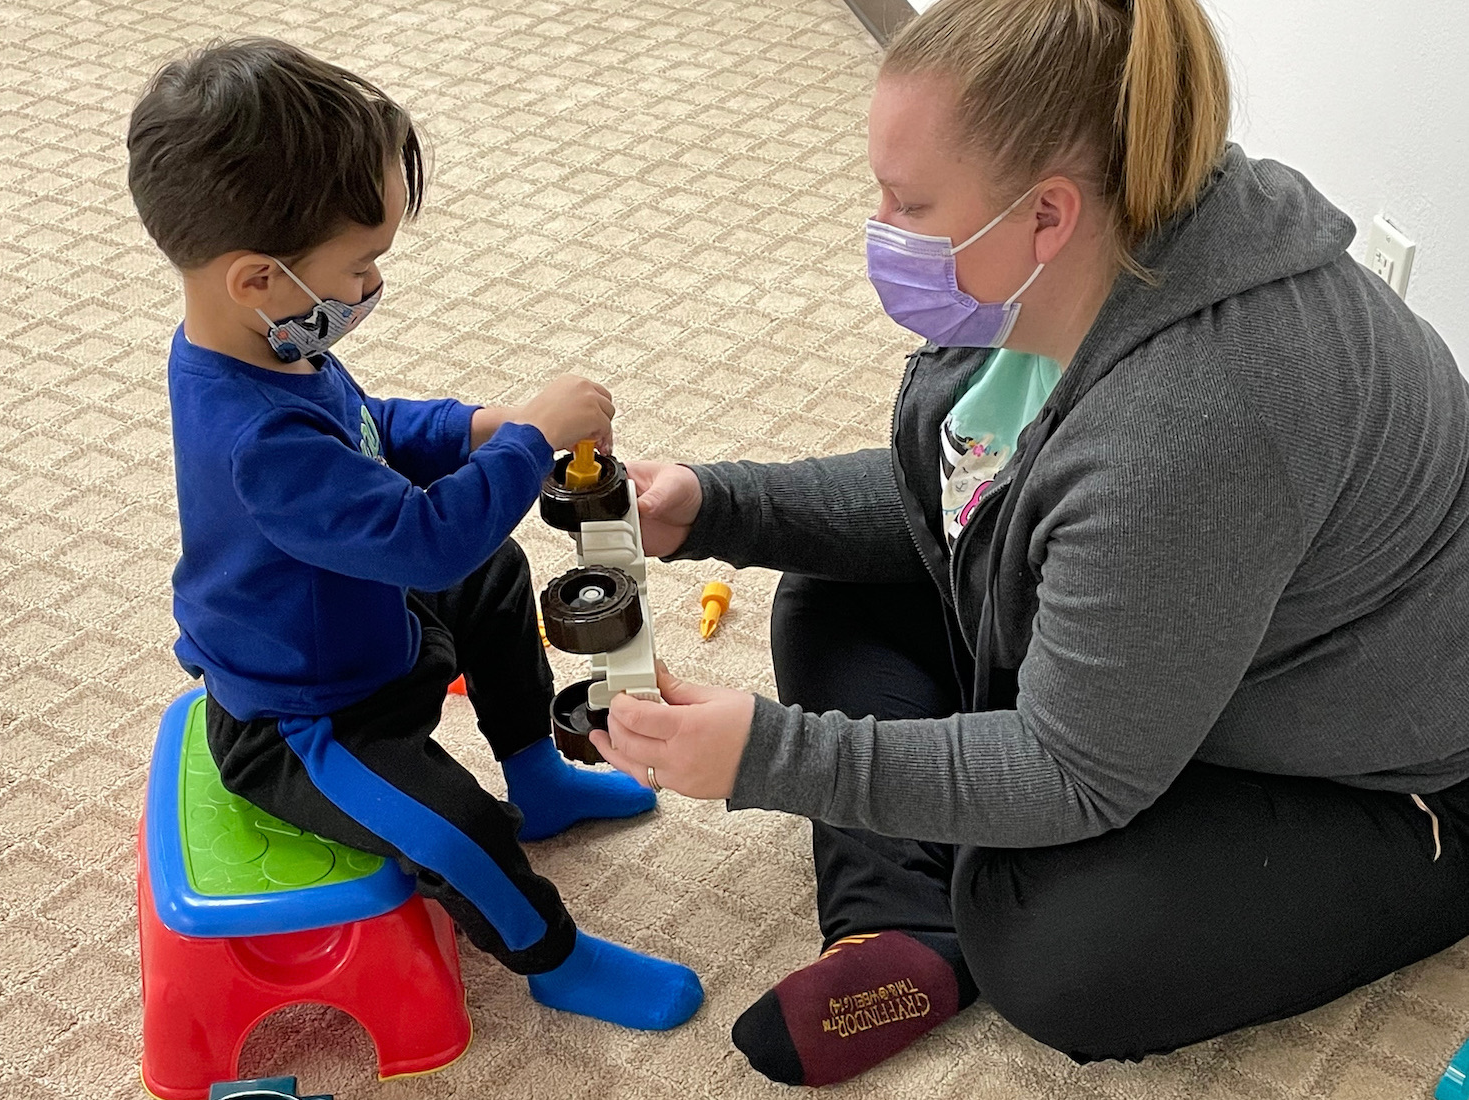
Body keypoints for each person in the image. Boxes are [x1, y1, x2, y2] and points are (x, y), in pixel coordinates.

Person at [592, 0, 1469, 1084]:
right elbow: (952, 493)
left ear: (1046, 213)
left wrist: (769, 755)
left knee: (1050, 941)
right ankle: (902, 924)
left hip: (1386, 775)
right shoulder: (1090, 261)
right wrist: (717, 504)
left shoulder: (1191, 424)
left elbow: (1076, 772)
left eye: (907, 202)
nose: (880, 224)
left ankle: (957, 915)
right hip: (1189, 634)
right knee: (831, 585)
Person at [126, 37, 703, 1031]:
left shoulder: (264, 356)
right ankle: (555, 959)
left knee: (493, 569)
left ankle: (539, 772)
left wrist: (476, 426)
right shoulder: (256, 435)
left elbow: (371, 427)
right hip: (306, 717)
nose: (370, 286)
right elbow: (424, 536)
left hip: (363, 622)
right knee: (461, 830)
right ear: (260, 279)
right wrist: (524, 445)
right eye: (359, 266)